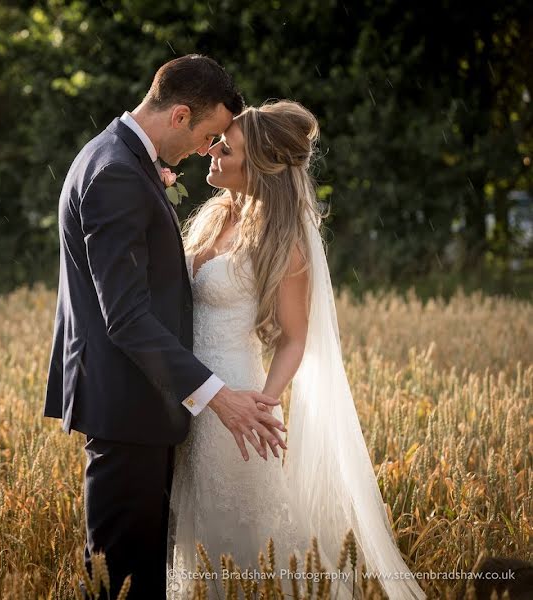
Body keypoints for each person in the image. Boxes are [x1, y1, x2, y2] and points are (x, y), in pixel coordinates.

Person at [43, 55, 288, 600]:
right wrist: (218, 397)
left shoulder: (114, 158)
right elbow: (126, 316)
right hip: (128, 407)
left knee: (141, 577)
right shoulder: (117, 174)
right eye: (207, 135)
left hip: (137, 404)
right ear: (180, 115)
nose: (208, 150)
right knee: (122, 582)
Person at [165, 99, 426, 600]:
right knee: (188, 535)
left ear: (260, 166)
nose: (213, 150)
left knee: (237, 540)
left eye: (228, 146)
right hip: (186, 391)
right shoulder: (212, 217)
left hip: (235, 402)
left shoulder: (283, 242)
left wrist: (265, 399)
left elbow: (295, 337)